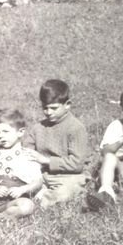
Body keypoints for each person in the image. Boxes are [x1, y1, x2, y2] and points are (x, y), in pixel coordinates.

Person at [22, 79, 90, 208]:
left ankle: (40, 201)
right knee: (19, 182)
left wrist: (46, 161)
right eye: (45, 108)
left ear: (67, 105)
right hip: (43, 175)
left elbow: (77, 164)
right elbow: (27, 149)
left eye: (54, 108)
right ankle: (36, 195)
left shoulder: (75, 128)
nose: (49, 112)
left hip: (69, 176)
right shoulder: (39, 127)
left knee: (67, 190)